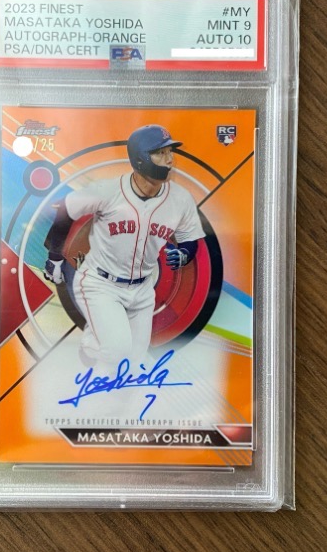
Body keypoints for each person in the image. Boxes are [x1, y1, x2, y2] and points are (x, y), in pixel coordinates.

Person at [42, 124, 205, 371]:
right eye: (160, 153)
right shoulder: (108, 190)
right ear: (139, 159)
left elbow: (190, 239)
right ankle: (92, 347)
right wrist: (54, 258)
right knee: (117, 351)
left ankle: (98, 345)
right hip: (101, 284)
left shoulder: (180, 199)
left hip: (143, 289)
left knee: (133, 362)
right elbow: (66, 209)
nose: (169, 160)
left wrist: (184, 254)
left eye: (170, 151)